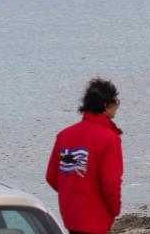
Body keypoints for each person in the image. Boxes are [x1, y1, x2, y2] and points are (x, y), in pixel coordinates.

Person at [46, 78, 123, 234]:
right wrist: (114, 210)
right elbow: (111, 183)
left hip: (70, 216)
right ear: (105, 105)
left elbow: (52, 176)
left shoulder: (64, 135)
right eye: (116, 102)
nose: (117, 106)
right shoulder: (109, 139)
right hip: (97, 219)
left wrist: (71, 191)